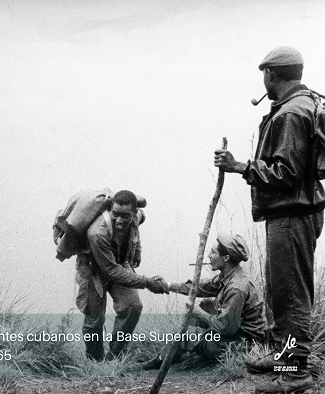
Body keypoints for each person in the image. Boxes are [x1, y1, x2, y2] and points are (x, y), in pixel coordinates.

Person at [214, 46, 325, 393]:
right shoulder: (303, 105)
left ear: (271, 75)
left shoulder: (291, 113)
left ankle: (294, 373)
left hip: (292, 214)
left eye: (264, 73)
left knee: (290, 296)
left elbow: (287, 172)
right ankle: (284, 355)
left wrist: (240, 166)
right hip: (294, 213)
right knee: (282, 293)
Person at [142, 234, 266, 370]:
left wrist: (200, 313)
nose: (209, 256)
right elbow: (201, 286)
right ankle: (177, 354)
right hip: (238, 333)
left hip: (243, 343)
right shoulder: (231, 274)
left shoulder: (236, 287)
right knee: (200, 311)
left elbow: (227, 328)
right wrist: (169, 285)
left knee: (185, 332)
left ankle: (160, 361)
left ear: (226, 258)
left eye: (213, 252)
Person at [75, 190, 169, 361]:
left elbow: (136, 230)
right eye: (115, 214)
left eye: (125, 216)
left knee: (133, 307)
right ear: (110, 209)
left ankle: (115, 357)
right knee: (94, 321)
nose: (119, 220)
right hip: (94, 271)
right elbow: (112, 271)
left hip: (119, 262)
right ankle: (95, 363)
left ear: (133, 213)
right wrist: (147, 282)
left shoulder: (138, 216)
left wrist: (137, 252)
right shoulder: (97, 232)